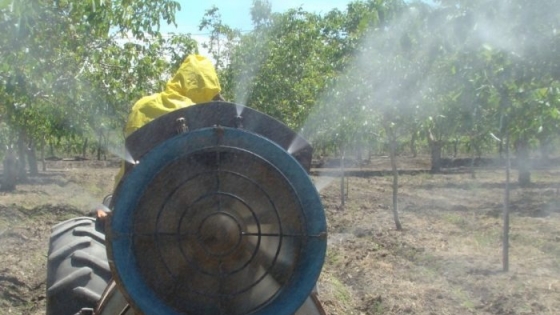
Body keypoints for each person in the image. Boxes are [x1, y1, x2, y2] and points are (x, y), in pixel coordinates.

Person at [113, 54, 223, 188]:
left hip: (135, 189)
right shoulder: (200, 115)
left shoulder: (142, 105)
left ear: (180, 77)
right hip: (184, 194)